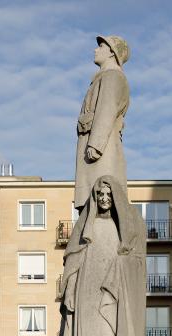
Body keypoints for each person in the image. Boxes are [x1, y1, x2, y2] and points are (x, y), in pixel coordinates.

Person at [58, 176, 146, 336]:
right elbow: (74, 262)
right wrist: (69, 291)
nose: (105, 199)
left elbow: (136, 264)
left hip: (113, 295)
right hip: (86, 294)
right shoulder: (87, 228)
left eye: (109, 195)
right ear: (95, 198)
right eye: (100, 195)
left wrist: (124, 266)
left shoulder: (122, 230)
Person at [74, 36, 130, 210]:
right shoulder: (104, 76)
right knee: (92, 203)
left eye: (101, 46)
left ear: (112, 53)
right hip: (96, 144)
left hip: (101, 149)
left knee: (101, 199)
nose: (96, 49)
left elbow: (106, 109)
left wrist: (96, 145)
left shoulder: (112, 76)